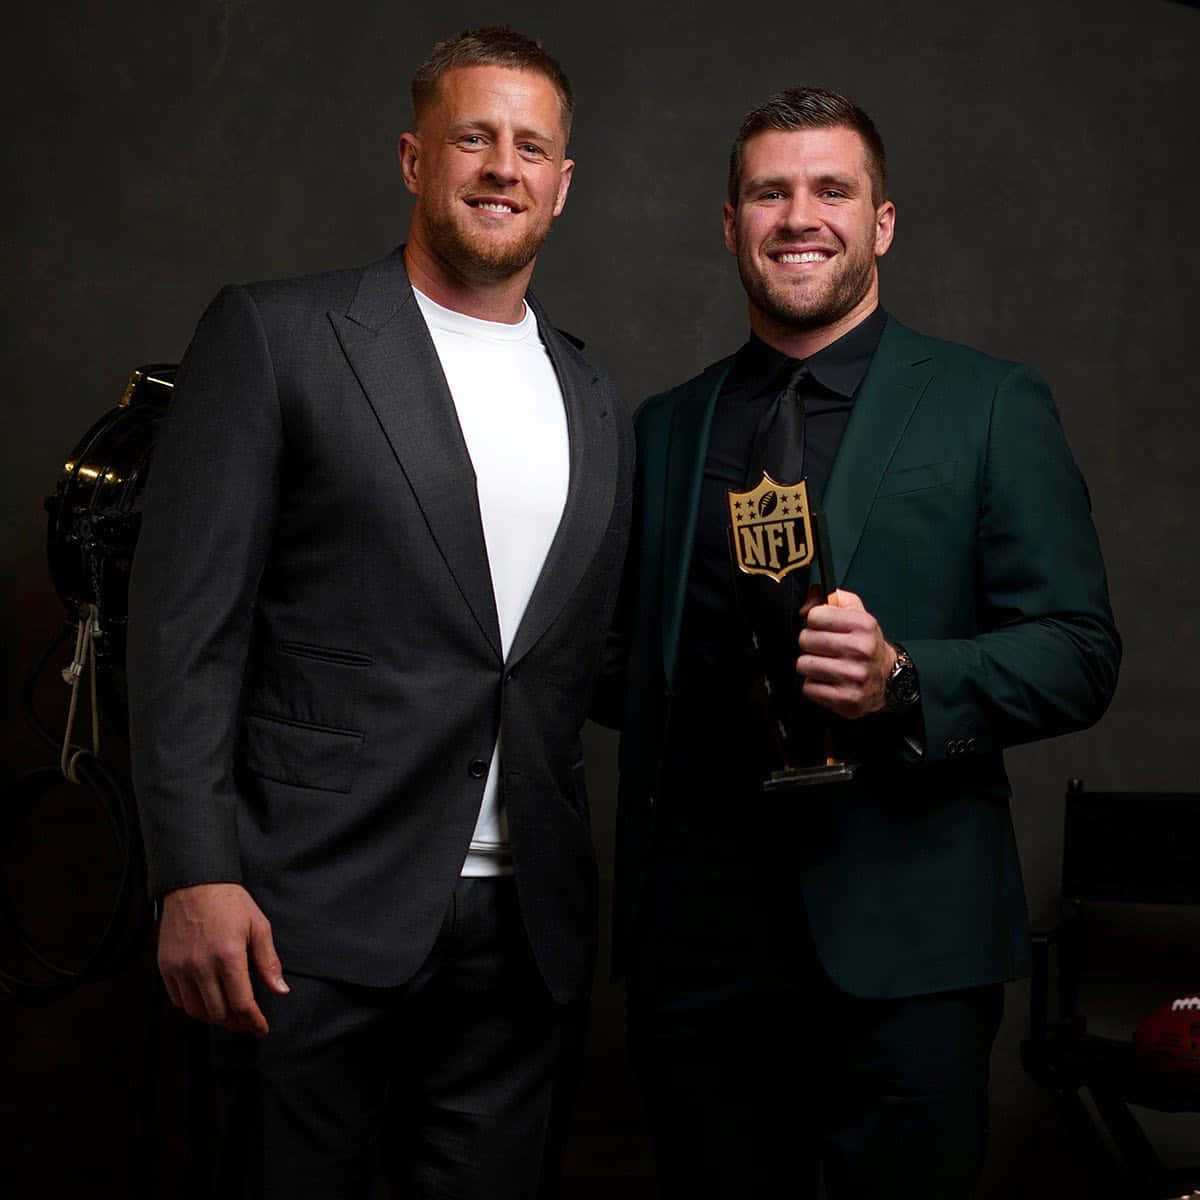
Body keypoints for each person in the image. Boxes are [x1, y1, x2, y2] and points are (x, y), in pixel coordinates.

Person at [128, 27, 631, 1199]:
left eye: (531, 147)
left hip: (526, 937)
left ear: (562, 183)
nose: (502, 167)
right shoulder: (277, 337)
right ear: (415, 158)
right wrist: (192, 871)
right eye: (474, 137)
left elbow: (577, 662)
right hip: (303, 919)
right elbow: (185, 629)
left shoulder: (593, 395)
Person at [605, 87, 1119, 1198]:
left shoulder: (988, 403)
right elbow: (623, 667)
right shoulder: (662, 429)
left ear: (881, 222)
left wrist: (905, 678)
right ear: (730, 223)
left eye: (832, 190)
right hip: (699, 949)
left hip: (910, 950)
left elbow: (1081, 652)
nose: (800, 216)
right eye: (769, 193)